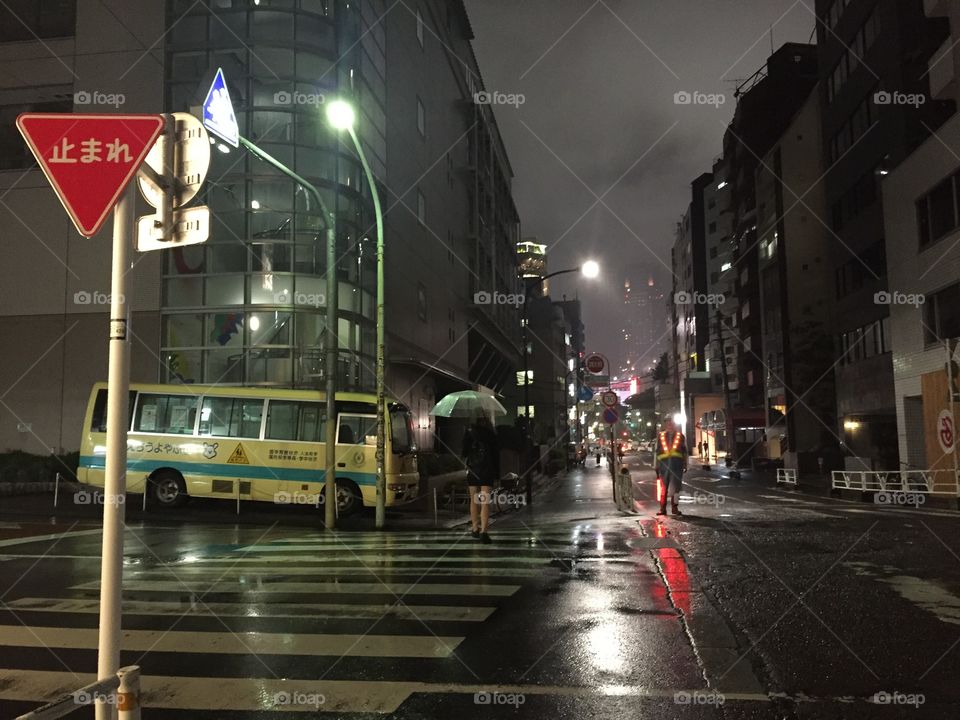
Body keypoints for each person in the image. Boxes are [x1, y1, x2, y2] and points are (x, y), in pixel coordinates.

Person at [462, 415, 499, 543]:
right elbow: (496, 457)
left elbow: (464, 453)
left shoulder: (469, 433)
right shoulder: (491, 435)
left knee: (473, 500)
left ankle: (474, 528)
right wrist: (497, 475)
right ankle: (484, 531)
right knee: (485, 501)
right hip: (487, 471)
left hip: (473, 470)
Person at [656, 417, 688, 516]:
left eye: (671, 422)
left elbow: (685, 451)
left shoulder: (680, 436)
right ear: (665, 423)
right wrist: (656, 465)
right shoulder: (660, 436)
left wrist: (685, 464)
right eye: (667, 422)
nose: (669, 423)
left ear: (674, 424)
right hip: (664, 465)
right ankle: (662, 508)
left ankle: (675, 508)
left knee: (676, 488)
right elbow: (656, 451)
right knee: (663, 488)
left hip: (677, 465)